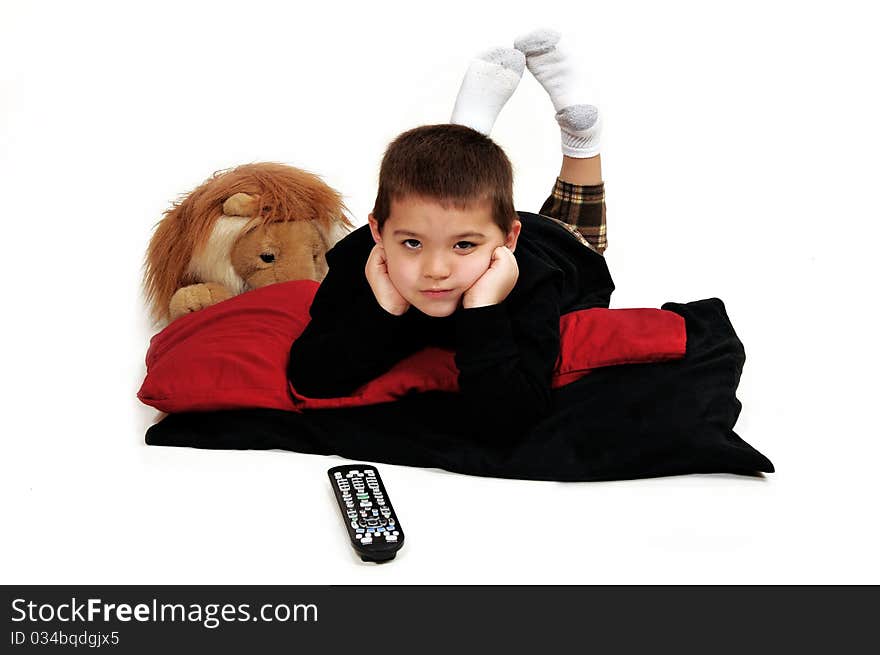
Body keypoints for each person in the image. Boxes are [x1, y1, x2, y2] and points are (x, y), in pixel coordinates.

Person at [287, 29, 614, 437]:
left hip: (556, 246)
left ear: (508, 241)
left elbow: (514, 418)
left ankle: (581, 138)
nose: (435, 270)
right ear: (377, 231)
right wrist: (384, 309)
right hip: (473, 223)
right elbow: (311, 379)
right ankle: (466, 135)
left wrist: (483, 310)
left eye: (462, 247)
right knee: (451, 205)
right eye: (411, 244)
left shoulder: (533, 280)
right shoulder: (360, 259)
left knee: (578, 232)